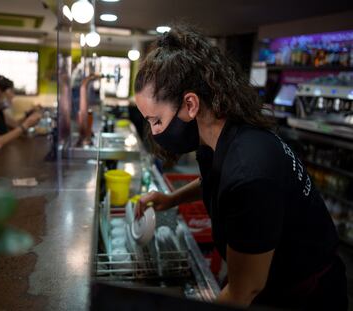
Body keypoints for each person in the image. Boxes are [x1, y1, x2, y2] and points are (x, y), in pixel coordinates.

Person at [134, 25, 347, 311]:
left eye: (156, 121)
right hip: (267, 279)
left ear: (190, 104)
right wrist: (171, 200)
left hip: (302, 295)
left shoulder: (250, 174)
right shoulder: (222, 135)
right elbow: (215, 180)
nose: (155, 132)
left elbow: (242, 293)